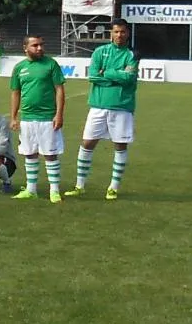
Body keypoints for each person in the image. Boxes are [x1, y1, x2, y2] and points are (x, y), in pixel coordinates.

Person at [75, 19, 138, 199]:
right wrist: (117, 76)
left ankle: (113, 187)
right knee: (87, 143)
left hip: (122, 106)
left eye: (123, 32)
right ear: (111, 33)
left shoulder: (132, 55)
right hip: (98, 105)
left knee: (120, 145)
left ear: (128, 33)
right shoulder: (100, 52)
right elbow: (93, 76)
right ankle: (80, 185)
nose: (119, 35)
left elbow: (129, 79)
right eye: (116, 31)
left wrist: (107, 72)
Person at [9, 35, 67, 202]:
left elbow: (59, 90)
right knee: (30, 153)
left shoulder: (51, 64)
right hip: (27, 118)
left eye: (41, 44)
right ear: (25, 48)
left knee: (50, 154)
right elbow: (15, 93)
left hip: (47, 118)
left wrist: (59, 114)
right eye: (35, 45)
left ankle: (54, 191)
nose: (40, 48)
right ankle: (31, 189)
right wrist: (13, 117)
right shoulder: (19, 68)